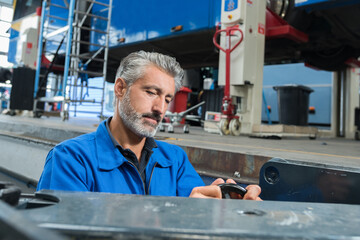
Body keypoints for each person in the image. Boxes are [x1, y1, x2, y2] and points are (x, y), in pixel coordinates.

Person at [37, 51, 261, 200]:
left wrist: (226, 206)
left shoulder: (174, 159)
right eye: (151, 92)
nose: (160, 108)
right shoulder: (70, 159)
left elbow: (197, 200)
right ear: (120, 89)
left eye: (166, 99)